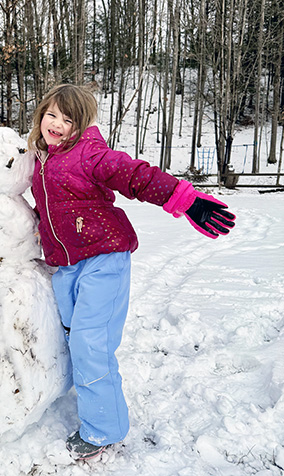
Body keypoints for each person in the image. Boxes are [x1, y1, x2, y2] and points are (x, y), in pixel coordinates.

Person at [27, 84, 235, 461]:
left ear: (82, 125)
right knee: (74, 338)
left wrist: (185, 200)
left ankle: (103, 429)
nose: (56, 124)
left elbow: (134, 175)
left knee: (92, 343)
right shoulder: (39, 160)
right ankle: (87, 397)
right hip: (66, 266)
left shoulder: (90, 154)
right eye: (51, 114)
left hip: (104, 258)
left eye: (68, 119)